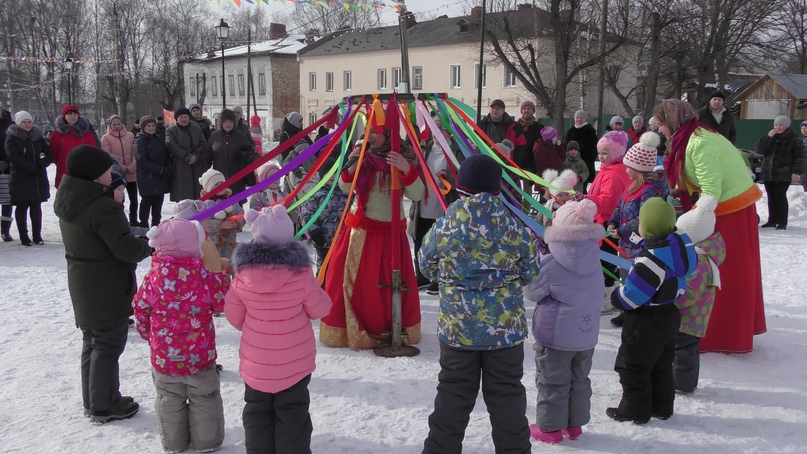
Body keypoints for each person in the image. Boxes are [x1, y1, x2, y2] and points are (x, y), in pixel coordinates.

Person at [419, 153, 538, 454]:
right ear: (497, 189)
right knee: (508, 397)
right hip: (505, 332)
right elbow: (531, 269)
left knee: (452, 396)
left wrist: (453, 281)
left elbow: (425, 264)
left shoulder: (444, 227)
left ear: (460, 189)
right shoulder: (514, 227)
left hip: (458, 329)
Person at [654, 98, 764, 354]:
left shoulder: (700, 143)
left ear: (673, 122)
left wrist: (691, 223)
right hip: (722, 208)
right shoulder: (688, 138)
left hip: (729, 210)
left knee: (720, 268)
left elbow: (712, 191)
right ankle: (717, 328)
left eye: (661, 124)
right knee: (717, 268)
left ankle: (722, 333)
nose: (659, 130)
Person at [52, 145, 152, 423]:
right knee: (107, 345)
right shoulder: (101, 207)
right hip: (106, 286)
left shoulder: (71, 199)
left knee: (93, 343)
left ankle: (98, 399)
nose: (112, 174)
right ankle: (104, 405)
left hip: (85, 283)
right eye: (109, 171)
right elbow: (126, 249)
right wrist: (152, 244)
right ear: (96, 176)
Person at [225, 206, 331, 454]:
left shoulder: (242, 273)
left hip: (256, 363)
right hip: (294, 363)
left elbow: (233, 313)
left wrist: (254, 328)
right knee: (293, 413)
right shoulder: (301, 273)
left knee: (257, 413)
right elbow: (319, 309)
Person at [319, 126, 425, 350]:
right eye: (369, 131)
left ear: (389, 134)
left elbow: (417, 194)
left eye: (376, 132)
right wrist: (356, 161)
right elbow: (345, 185)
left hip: (390, 235)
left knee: (388, 286)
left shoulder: (403, 155)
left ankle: (390, 327)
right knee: (355, 284)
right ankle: (352, 328)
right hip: (360, 231)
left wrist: (406, 168)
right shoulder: (362, 154)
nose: (371, 136)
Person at [133, 218, 230, 453]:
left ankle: (174, 443)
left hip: (165, 355)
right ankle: (206, 442)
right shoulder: (204, 276)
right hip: (200, 354)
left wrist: (146, 333)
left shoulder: (153, 278)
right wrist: (224, 277)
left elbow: (140, 306)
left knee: (169, 398)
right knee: (204, 396)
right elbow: (221, 302)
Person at [606, 198, 697, 425]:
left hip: (645, 320)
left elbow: (633, 295)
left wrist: (617, 297)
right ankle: (662, 406)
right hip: (669, 314)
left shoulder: (652, 259)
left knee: (632, 366)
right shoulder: (675, 250)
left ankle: (634, 410)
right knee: (661, 363)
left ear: (647, 227)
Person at [524, 199, 604, 444]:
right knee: (579, 380)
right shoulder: (595, 260)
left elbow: (531, 292)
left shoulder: (550, 264)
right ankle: (574, 425)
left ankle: (549, 428)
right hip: (586, 334)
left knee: (552, 382)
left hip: (556, 337)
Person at [606, 132, 668, 327]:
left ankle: (636, 310)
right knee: (625, 275)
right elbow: (620, 205)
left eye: (628, 167)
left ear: (638, 168)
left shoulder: (651, 190)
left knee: (636, 276)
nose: (625, 170)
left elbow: (643, 217)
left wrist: (622, 230)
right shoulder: (632, 185)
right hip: (625, 242)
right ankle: (627, 309)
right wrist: (613, 221)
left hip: (639, 242)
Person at [672, 206, 726, 395]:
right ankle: (687, 382)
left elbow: (689, 293)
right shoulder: (701, 255)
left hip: (689, 317)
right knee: (689, 350)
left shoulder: (700, 262)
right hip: (696, 315)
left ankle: (681, 384)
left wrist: (670, 300)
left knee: (683, 351)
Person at [408, 118, 462, 293]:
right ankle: (422, 276)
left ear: (448, 132)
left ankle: (440, 277)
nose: (437, 134)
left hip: (446, 202)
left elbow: (463, 172)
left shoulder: (457, 150)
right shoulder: (424, 147)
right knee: (421, 238)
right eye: (434, 130)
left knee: (443, 240)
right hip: (424, 201)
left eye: (441, 130)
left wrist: (449, 176)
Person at [586, 130, 631, 315]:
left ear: (617, 153)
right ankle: (608, 296)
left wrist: (588, 201)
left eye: (605, 153)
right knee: (605, 259)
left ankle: (606, 299)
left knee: (605, 261)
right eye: (600, 153)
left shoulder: (613, 174)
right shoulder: (609, 170)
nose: (601, 157)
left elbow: (608, 202)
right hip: (603, 221)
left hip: (607, 223)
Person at [5, 111, 52, 246]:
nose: (27, 124)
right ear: (18, 123)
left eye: (29, 121)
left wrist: (41, 164)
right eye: (24, 122)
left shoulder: (37, 137)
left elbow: (48, 154)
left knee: (36, 207)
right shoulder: (12, 138)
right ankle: (24, 237)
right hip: (20, 178)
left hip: (37, 178)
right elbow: (13, 156)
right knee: (22, 207)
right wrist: (32, 167)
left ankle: (37, 235)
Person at [754, 116, 806, 230]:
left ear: (786, 127)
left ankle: (782, 221)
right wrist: (768, 137)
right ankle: (772, 220)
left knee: (780, 196)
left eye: (780, 125)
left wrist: (796, 172)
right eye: (776, 125)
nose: (778, 127)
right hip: (769, 173)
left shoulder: (794, 140)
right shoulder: (770, 137)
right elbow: (759, 149)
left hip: (784, 173)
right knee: (771, 197)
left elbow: (800, 157)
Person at [301, 157, 349, 269]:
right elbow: (308, 215)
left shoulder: (347, 193)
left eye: (335, 172)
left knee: (343, 269)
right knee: (325, 269)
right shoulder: (316, 194)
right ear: (322, 175)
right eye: (329, 173)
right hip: (324, 242)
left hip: (344, 241)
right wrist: (315, 234)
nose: (332, 176)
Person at [49, 104, 101, 188]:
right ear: (64, 116)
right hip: (64, 172)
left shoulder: (87, 133)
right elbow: (54, 153)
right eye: (69, 114)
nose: (72, 116)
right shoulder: (56, 134)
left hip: (83, 173)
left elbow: (93, 152)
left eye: (75, 114)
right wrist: (63, 164)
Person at [208, 108, 255, 197]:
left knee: (236, 203)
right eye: (226, 122)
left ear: (234, 123)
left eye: (230, 122)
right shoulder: (214, 136)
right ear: (221, 123)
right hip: (218, 177)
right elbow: (207, 155)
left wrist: (242, 155)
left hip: (237, 176)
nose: (228, 124)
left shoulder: (241, 136)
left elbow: (250, 151)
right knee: (219, 203)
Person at [101, 114, 138, 226]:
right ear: (110, 125)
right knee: (118, 199)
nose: (117, 126)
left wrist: (132, 167)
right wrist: (122, 167)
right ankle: (120, 221)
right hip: (116, 173)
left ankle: (133, 220)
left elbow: (135, 152)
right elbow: (108, 155)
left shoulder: (130, 135)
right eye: (114, 124)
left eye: (118, 123)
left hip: (132, 172)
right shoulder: (106, 138)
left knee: (134, 199)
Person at [134, 115, 172, 227]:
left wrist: (168, 166)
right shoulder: (140, 141)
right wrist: (160, 170)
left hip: (160, 178)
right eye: (148, 126)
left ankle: (157, 226)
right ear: (143, 127)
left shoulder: (158, 138)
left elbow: (166, 154)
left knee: (158, 205)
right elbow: (142, 160)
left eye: (153, 125)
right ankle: (144, 227)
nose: (151, 128)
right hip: (147, 177)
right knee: (146, 203)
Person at [166, 107, 209, 202]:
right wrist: (187, 156)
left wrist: (196, 156)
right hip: (180, 166)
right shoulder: (171, 130)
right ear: (176, 118)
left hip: (197, 165)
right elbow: (172, 145)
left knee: (198, 195)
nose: (184, 119)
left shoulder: (196, 129)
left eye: (186, 116)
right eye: (181, 117)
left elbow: (203, 143)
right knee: (183, 195)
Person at [564, 110, 598, 193]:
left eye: (581, 118)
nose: (579, 120)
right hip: (570, 163)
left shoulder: (590, 131)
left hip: (584, 164)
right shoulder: (571, 131)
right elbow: (565, 145)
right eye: (577, 118)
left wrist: (585, 159)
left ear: (585, 119)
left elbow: (593, 149)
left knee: (581, 188)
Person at [515, 100, 542, 177]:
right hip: (516, 163)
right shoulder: (515, 126)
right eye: (524, 108)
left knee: (527, 188)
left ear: (533, 111)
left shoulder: (539, 127)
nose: (526, 110)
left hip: (531, 163)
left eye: (529, 108)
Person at [0, 102, 15, 241]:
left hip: (6, 169)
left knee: (6, 200)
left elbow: (13, 146)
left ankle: (5, 230)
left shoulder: (10, 126)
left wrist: (6, 161)